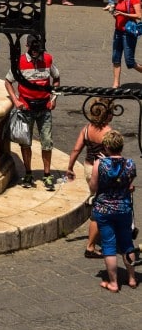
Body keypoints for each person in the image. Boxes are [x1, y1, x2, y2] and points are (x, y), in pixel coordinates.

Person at [5, 34, 60, 189]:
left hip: (44, 108)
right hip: (26, 108)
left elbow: (56, 77)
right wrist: (16, 101)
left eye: (38, 50)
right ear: (27, 47)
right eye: (33, 49)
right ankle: (28, 173)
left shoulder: (48, 59)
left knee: (47, 143)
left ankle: (47, 175)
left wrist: (53, 98)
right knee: (25, 142)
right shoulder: (20, 62)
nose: (36, 53)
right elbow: (8, 81)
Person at [89, 130, 138, 293]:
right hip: (124, 208)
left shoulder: (100, 164)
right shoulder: (131, 163)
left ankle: (113, 283)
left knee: (109, 245)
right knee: (127, 244)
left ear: (107, 147)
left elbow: (93, 187)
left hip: (104, 209)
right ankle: (132, 278)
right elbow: (129, 185)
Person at [65, 99, 115, 257]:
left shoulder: (86, 129)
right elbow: (113, 155)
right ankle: (91, 246)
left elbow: (76, 149)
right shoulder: (108, 132)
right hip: (102, 169)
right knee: (102, 205)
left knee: (98, 198)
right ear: (108, 115)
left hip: (88, 168)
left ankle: (102, 229)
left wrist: (70, 167)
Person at [109, 0, 142, 87]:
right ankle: (116, 84)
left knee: (130, 61)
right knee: (116, 58)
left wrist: (122, 13)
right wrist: (113, 12)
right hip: (118, 31)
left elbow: (138, 15)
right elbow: (118, 12)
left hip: (128, 33)